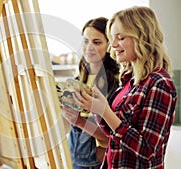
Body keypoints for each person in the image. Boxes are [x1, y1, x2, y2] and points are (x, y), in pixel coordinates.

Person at [74, 6, 177, 168]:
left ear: (142, 38)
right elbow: (113, 135)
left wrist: (104, 111)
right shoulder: (129, 81)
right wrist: (88, 113)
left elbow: (147, 152)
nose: (112, 45)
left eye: (120, 38)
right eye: (112, 37)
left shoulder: (159, 83)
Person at [61, 17, 120, 169]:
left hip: (96, 164)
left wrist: (80, 121)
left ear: (110, 45)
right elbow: (69, 125)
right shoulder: (77, 80)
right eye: (86, 41)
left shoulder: (116, 84)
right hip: (73, 160)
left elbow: (114, 137)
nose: (89, 47)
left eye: (97, 42)